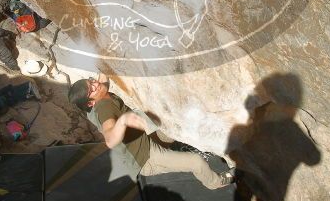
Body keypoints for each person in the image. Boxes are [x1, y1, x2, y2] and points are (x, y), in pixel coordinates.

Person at [68, 76, 235, 189]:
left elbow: (102, 79)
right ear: (90, 103)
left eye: (92, 81)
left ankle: (182, 144)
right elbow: (110, 139)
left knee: (171, 128)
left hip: (144, 136)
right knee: (196, 161)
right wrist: (124, 121)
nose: (96, 85)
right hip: (146, 157)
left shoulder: (99, 95)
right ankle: (216, 182)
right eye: (92, 89)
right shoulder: (103, 108)